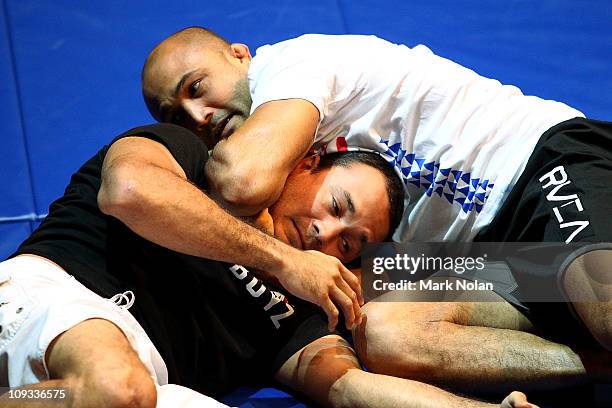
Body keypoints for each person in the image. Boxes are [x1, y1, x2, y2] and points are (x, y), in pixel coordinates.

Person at [141, 27, 612, 396]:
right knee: (385, 335)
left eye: (196, 87)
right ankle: (600, 367)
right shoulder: (269, 158)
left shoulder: (293, 65)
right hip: (477, 259)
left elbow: (242, 183)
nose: (198, 116)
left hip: (534, 170)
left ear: (239, 55)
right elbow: (356, 283)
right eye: (176, 116)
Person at [0, 123, 529, 407]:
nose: (327, 233)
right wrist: (282, 260)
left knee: (126, 393)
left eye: (349, 245)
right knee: (117, 389)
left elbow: (350, 389)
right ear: (307, 164)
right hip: (55, 299)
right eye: (336, 206)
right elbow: (128, 192)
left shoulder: (297, 316)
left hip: (141, 391)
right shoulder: (193, 158)